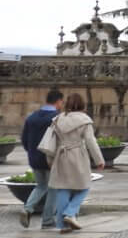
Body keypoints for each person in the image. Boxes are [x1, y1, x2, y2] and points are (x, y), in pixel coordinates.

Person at [47, 93, 104, 234]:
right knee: (84, 186)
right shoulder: (84, 120)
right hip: (78, 155)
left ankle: (63, 225)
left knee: (63, 189)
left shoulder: (57, 119)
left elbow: (51, 142)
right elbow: (91, 141)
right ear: (82, 105)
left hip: (61, 156)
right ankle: (70, 213)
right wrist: (99, 160)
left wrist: (50, 160)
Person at [19, 88, 64, 229]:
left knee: (41, 186)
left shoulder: (31, 117)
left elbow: (24, 139)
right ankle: (48, 220)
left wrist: (32, 153)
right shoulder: (58, 118)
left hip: (34, 158)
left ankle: (27, 209)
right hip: (50, 159)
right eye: (62, 102)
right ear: (58, 102)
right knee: (53, 189)